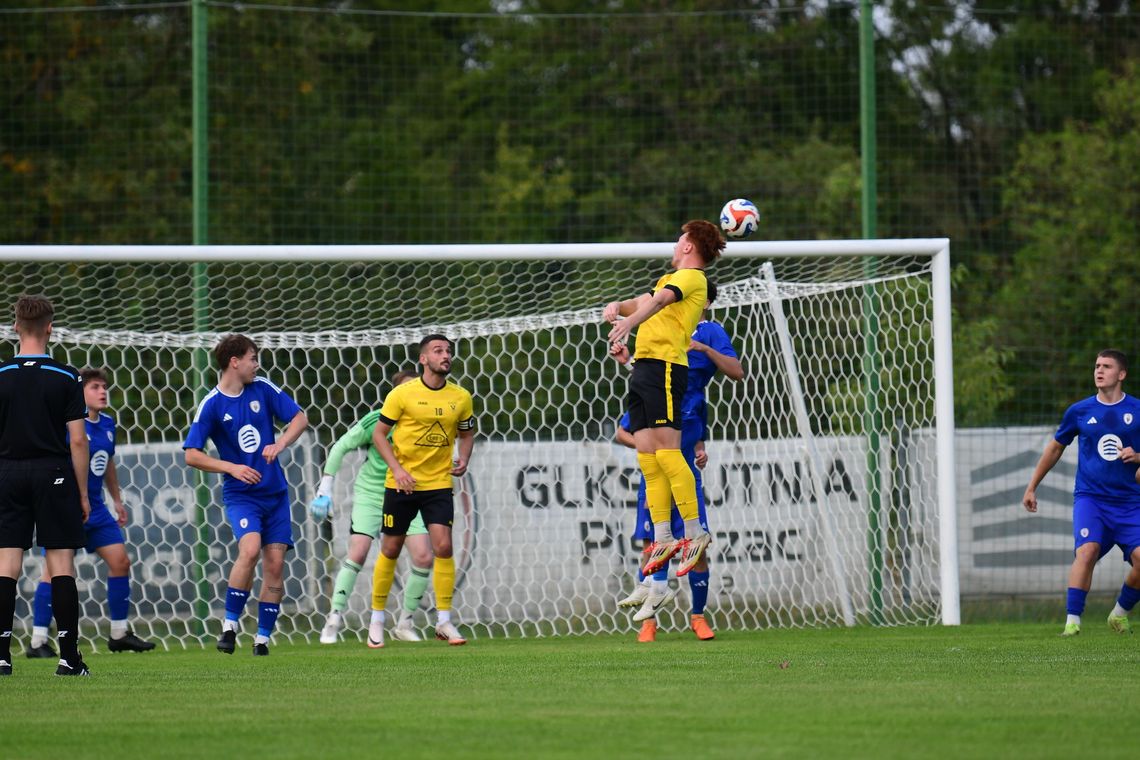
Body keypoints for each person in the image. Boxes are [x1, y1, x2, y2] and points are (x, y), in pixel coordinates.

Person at [612, 281, 744, 642]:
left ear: (703, 302)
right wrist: (629, 360)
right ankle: (650, 618)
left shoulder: (707, 331)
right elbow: (623, 429)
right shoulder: (665, 323)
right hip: (660, 434)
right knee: (654, 543)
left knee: (691, 544)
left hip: (682, 450)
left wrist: (701, 346)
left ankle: (697, 615)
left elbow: (736, 371)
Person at [603, 219, 724, 610]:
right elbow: (643, 301)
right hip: (645, 368)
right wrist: (617, 307)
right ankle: (663, 542)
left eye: (680, 239)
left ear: (690, 246)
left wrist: (625, 325)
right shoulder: (669, 278)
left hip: (668, 368)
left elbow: (654, 304)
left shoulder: (693, 278)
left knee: (669, 454)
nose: (675, 244)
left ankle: (694, 534)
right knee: (648, 459)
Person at [184, 334, 309, 656]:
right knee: (250, 548)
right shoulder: (211, 404)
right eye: (253, 358)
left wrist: (280, 443)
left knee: (276, 565)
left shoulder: (263, 389)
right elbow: (192, 454)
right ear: (234, 362)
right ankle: (229, 626)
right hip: (242, 495)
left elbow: (300, 418)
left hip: (276, 494)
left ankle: (262, 639)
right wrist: (231, 467)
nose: (257, 364)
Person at [26, 368, 155, 658]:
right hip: (64, 506)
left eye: (104, 386)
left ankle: (119, 633)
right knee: (56, 572)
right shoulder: (67, 425)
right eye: (95, 387)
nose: (102, 391)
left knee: (121, 561)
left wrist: (117, 499)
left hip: (95, 508)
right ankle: (37, 641)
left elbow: (106, 462)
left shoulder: (108, 424)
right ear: (80, 392)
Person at [0, 295, 91, 676]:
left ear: (16, 326)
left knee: (6, 565)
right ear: (50, 328)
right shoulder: (68, 376)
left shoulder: (1, 375)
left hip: (6, 472)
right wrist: (83, 493)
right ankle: (68, 657)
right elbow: (78, 440)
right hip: (53, 473)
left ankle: (1, 656)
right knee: (61, 564)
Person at [366, 334, 474, 649]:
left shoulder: (461, 397)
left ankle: (443, 620)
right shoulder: (402, 394)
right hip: (401, 484)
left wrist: (464, 458)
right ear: (423, 359)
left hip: (438, 483)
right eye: (438, 351)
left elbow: (467, 434)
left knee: (443, 546)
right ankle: (377, 619)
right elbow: (379, 434)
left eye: (448, 351)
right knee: (390, 549)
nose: (446, 356)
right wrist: (398, 470)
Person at [1022, 349, 1140, 636]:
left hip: (1130, 503)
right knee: (1086, 552)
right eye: (1097, 365)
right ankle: (1072, 623)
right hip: (1092, 500)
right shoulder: (1080, 411)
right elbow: (1055, 448)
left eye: (1106, 366)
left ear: (1121, 374)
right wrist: (1031, 486)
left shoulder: (1137, 410)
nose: (1099, 371)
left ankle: (1119, 613)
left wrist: (1138, 456)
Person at [312, 369, 434, 644]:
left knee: (424, 557)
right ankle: (333, 619)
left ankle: (404, 623)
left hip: (407, 493)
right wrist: (325, 489)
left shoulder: (427, 422)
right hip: (372, 493)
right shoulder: (379, 420)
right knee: (358, 552)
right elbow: (341, 445)